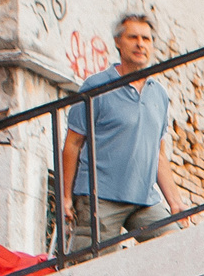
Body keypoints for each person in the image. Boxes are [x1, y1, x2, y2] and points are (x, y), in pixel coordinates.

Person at [60, 14, 184, 253]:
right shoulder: (96, 87)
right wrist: (66, 197)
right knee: (96, 266)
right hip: (99, 197)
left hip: (143, 199)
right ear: (118, 42)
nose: (140, 44)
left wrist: (175, 203)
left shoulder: (158, 94)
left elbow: (158, 154)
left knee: (176, 247)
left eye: (146, 39)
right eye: (133, 37)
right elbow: (73, 143)